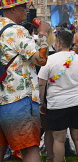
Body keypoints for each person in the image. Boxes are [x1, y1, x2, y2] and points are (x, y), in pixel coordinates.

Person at [0, 0, 50, 162]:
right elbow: (41, 60)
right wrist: (43, 34)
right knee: (30, 150)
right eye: (23, 7)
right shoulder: (18, 31)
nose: (26, 10)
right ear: (12, 8)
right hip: (17, 101)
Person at [38, 31, 78, 162]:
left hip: (57, 105)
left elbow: (41, 84)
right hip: (76, 103)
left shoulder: (49, 60)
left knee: (59, 140)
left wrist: (41, 102)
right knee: (77, 137)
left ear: (58, 43)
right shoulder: (77, 58)